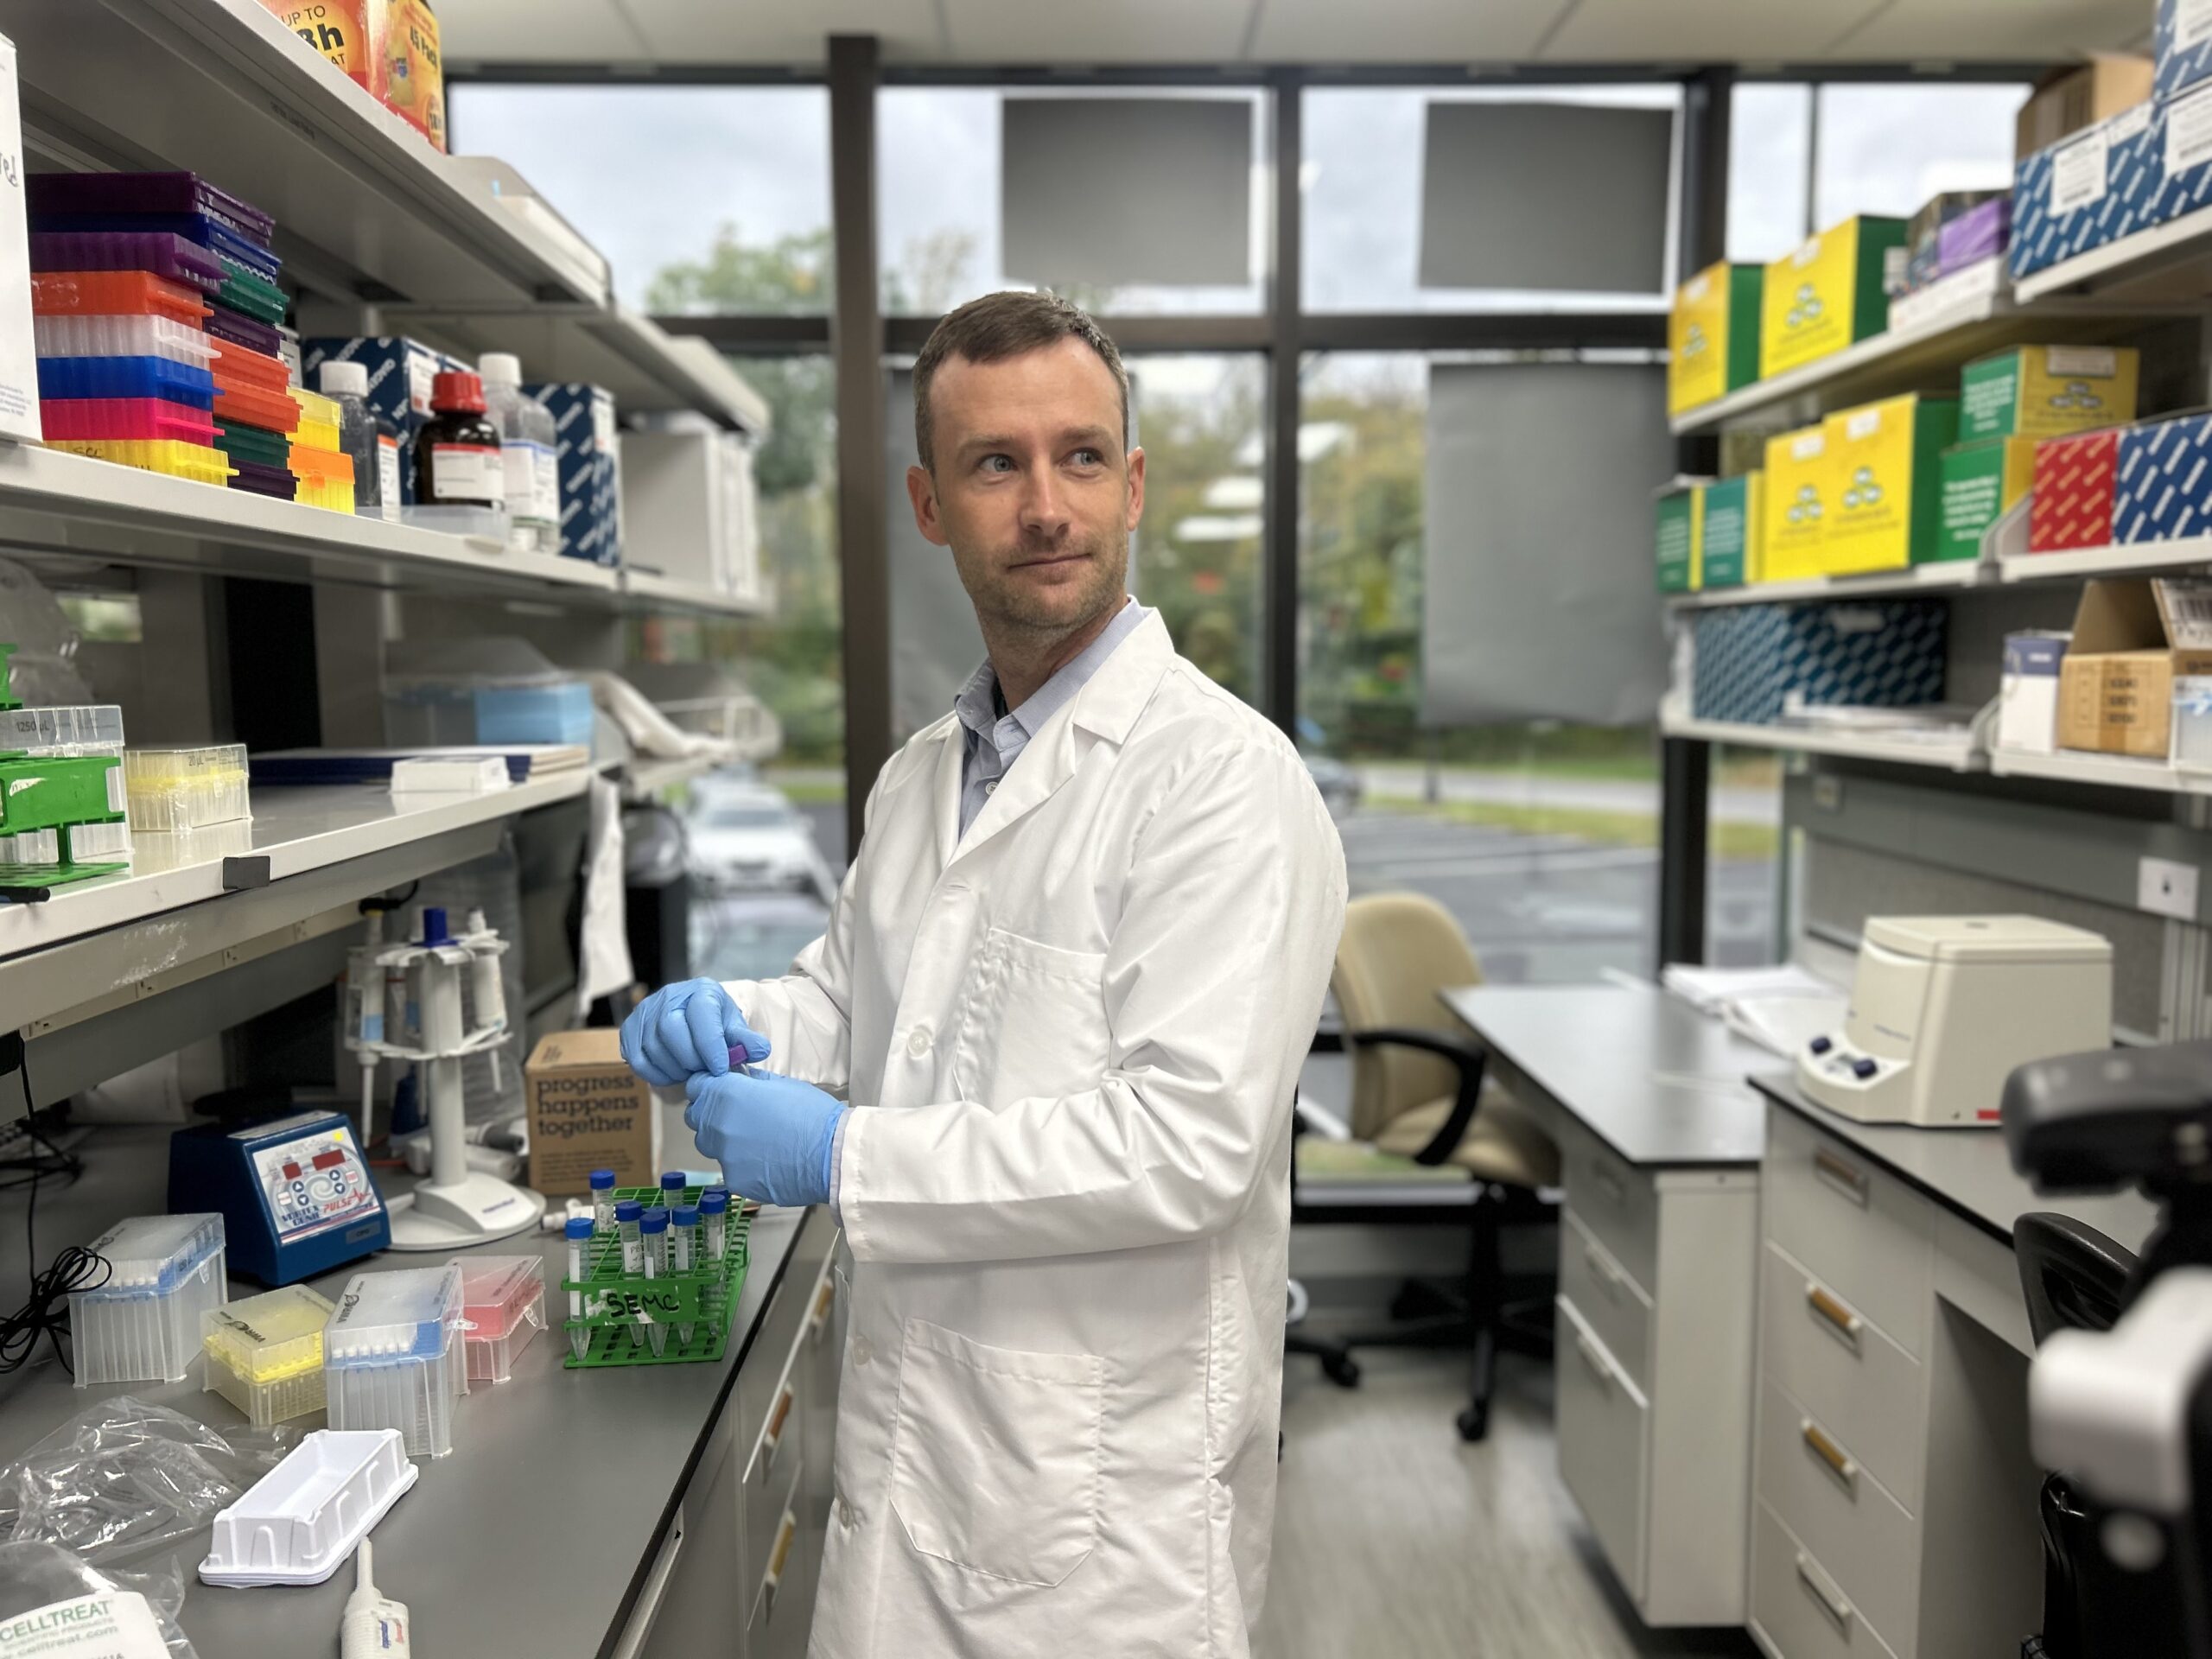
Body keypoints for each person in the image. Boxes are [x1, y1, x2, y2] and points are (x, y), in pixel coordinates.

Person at [620, 289, 1348, 1658]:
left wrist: (847, 1157)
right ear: (930, 502)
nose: (1047, 506)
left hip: (1103, 1509)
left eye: (1081, 457)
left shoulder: (1220, 783)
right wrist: (735, 1017)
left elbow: (1188, 1143)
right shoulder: (920, 775)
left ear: (1133, 486)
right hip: (921, 1451)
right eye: (995, 464)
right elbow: (859, 1000)